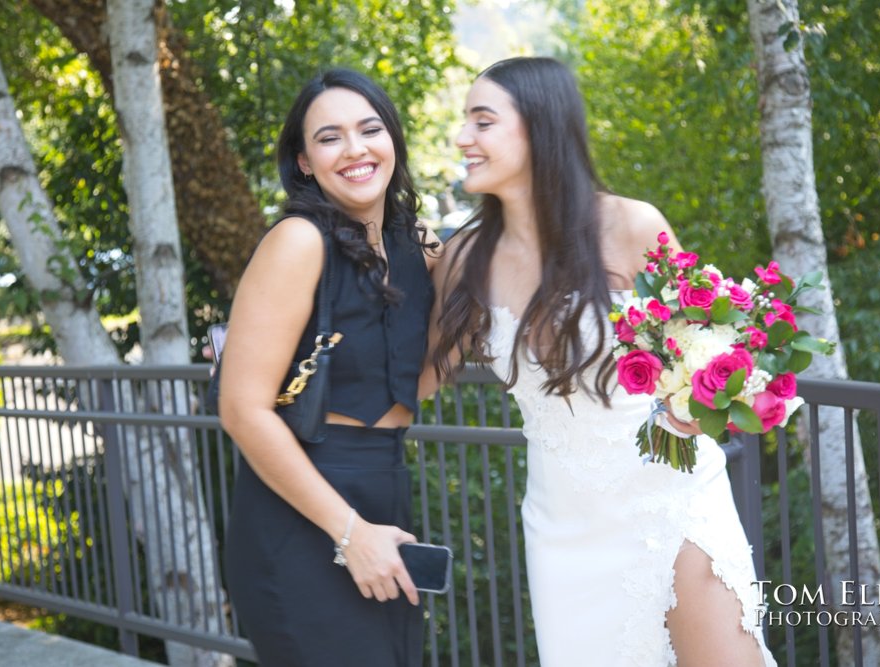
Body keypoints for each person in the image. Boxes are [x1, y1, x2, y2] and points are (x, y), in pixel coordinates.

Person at [425, 57, 776, 666]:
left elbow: (715, 348)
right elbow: (417, 381)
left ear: (538, 127)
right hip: (564, 529)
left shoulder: (631, 225)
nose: (463, 139)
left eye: (482, 121)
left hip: (674, 498)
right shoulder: (463, 259)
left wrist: (700, 402)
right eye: (465, 122)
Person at [218, 68, 439, 666]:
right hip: (301, 506)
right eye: (329, 137)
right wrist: (350, 533)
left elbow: (411, 389)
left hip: (385, 491)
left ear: (393, 139)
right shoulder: (297, 241)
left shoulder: (416, 248)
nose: (356, 149)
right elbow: (242, 409)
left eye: (370, 129)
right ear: (305, 161)